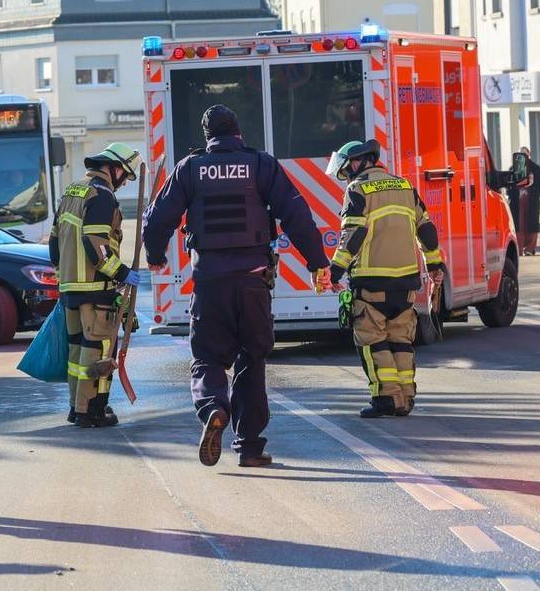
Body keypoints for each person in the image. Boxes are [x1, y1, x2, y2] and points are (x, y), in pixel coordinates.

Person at [143, 105, 330, 468]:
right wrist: (317, 262)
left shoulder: (189, 169)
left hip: (211, 282)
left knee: (209, 359)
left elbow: (158, 217)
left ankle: (213, 407)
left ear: (207, 135)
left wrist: (155, 255)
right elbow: (296, 213)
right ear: (238, 131)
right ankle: (249, 447)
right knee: (251, 359)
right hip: (253, 280)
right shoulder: (260, 165)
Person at [327, 140, 444, 419]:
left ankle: (384, 399)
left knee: (372, 340)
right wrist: (435, 264)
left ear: (361, 161)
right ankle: (404, 399)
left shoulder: (358, 190)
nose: (347, 174)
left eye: (348, 168)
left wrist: (335, 270)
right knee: (400, 340)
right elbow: (426, 229)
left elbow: (353, 235)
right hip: (405, 282)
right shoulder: (404, 186)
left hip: (371, 280)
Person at [48, 143, 140, 428]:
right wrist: (122, 272)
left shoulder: (71, 192)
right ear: (113, 168)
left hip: (71, 291)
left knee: (78, 349)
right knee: (98, 351)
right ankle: (91, 411)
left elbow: (53, 242)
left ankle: (77, 407)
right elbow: (96, 244)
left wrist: (64, 276)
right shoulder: (102, 196)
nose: (124, 183)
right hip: (95, 289)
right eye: (124, 176)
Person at [505, 147, 540, 256]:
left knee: (531, 225)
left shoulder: (536, 169)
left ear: (529, 155)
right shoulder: (512, 169)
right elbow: (508, 184)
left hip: (531, 201)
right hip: (516, 202)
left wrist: (535, 193)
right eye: (521, 154)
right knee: (518, 225)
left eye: (525, 154)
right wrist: (512, 194)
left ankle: (529, 248)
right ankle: (518, 249)